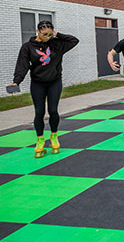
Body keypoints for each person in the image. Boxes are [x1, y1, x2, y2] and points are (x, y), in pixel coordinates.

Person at [7, 21, 79, 158]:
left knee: (53, 110)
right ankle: (40, 139)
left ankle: (54, 136)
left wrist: (57, 34)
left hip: (54, 82)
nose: (48, 37)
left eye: (50, 34)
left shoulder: (57, 44)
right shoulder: (27, 47)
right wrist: (16, 81)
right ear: (37, 32)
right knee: (39, 112)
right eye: (45, 34)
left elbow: (74, 41)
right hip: (38, 83)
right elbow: (22, 65)